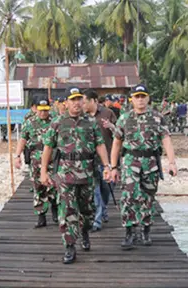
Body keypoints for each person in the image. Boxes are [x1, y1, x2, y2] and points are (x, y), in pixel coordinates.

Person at [40, 87, 110, 264]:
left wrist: (107, 166)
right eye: (72, 99)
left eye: (79, 99)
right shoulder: (57, 123)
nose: (76, 102)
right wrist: (43, 172)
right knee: (67, 210)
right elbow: (48, 147)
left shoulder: (91, 123)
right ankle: (70, 246)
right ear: (66, 103)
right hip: (65, 174)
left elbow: (100, 145)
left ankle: (85, 231)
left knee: (87, 210)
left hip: (87, 173)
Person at [110, 84, 177, 250]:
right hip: (130, 162)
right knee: (128, 197)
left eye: (143, 96)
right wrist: (113, 167)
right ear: (131, 99)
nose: (140, 99)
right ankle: (129, 231)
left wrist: (172, 162)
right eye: (137, 96)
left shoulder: (157, 118)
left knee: (148, 197)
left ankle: (146, 229)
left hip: (150, 163)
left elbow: (166, 139)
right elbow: (117, 143)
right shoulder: (124, 118)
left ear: (148, 98)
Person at [15, 98, 58, 228]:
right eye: (41, 110)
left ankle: (55, 211)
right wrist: (17, 156)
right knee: (38, 187)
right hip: (36, 159)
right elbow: (23, 139)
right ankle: (41, 216)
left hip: (53, 159)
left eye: (45, 110)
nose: (43, 113)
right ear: (36, 109)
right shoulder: (30, 123)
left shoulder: (55, 122)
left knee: (54, 186)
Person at [83, 89, 117, 232]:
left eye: (85, 102)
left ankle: (103, 210)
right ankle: (97, 221)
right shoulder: (81, 117)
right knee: (95, 192)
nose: (82, 105)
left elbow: (120, 135)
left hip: (107, 160)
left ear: (94, 101)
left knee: (106, 190)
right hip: (90, 161)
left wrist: (111, 127)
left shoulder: (108, 113)